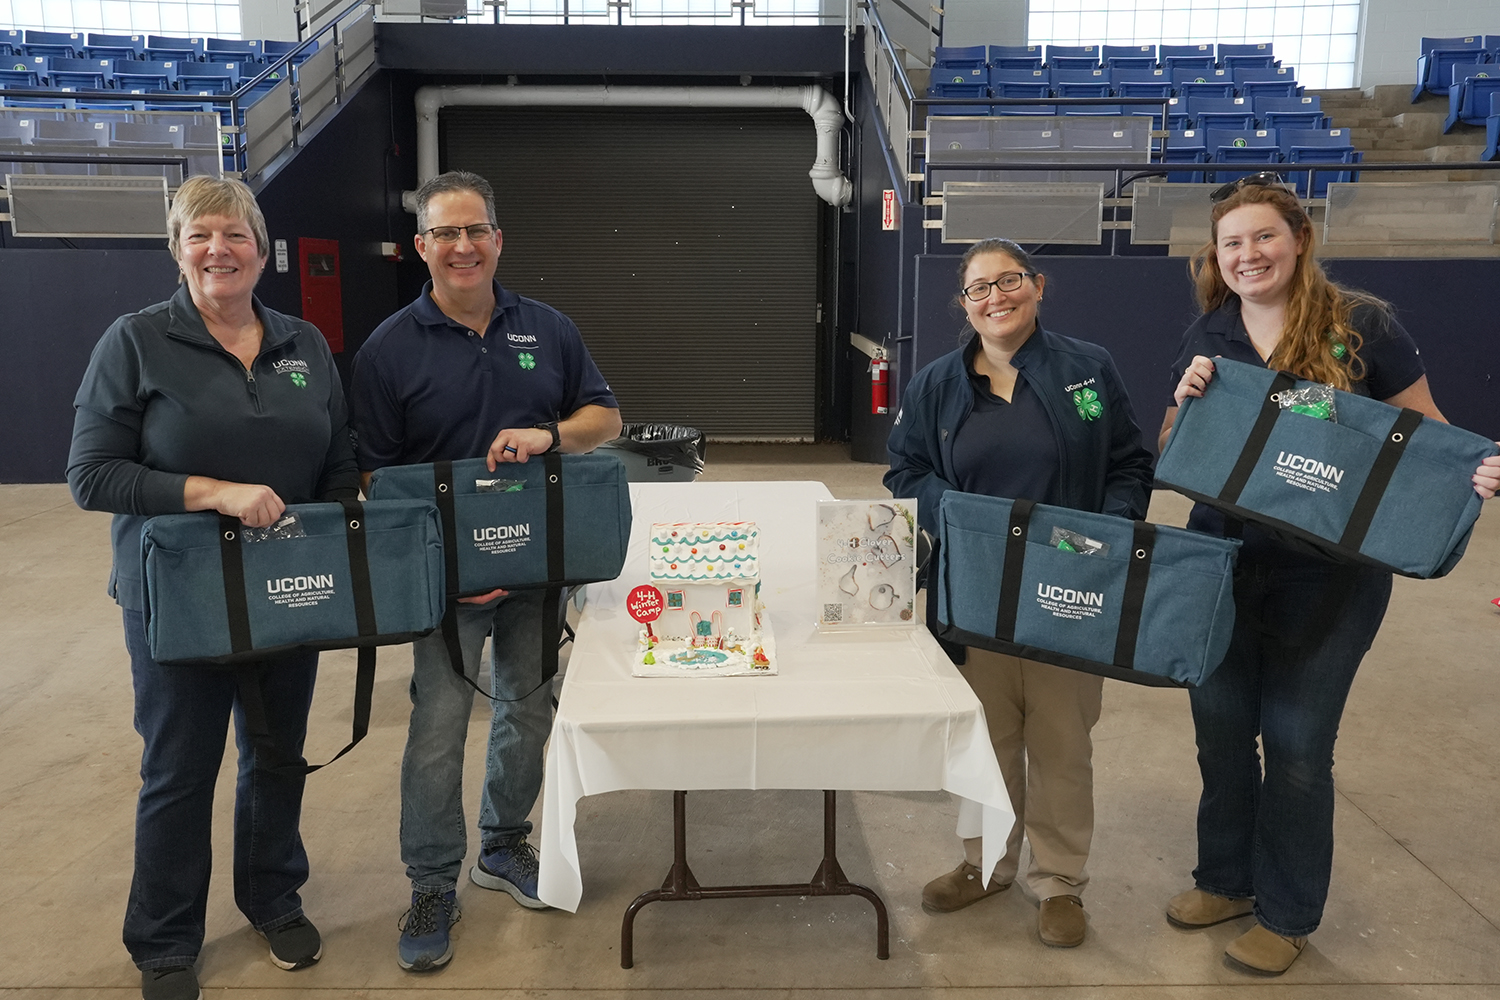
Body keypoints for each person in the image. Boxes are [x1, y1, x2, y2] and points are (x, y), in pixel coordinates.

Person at [1160, 174, 1500, 976]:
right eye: (1232, 242)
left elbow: (1427, 430)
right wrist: (1185, 398)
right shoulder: (1212, 332)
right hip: (1222, 563)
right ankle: (1226, 879)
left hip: (1331, 581)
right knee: (1219, 733)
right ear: (1218, 255)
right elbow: (1177, 440)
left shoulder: (1364, 326)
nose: (1248, 255)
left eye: (1263, 236)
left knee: (1299, 745)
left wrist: (1475, 471)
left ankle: (1287, 913)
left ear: (1299, 238)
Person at [66, 175, 359, 1000]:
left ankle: (272, 898)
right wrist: (213, 491)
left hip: (285, 584)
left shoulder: (303, 344)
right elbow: (92, 476)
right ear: (176, 250)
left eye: (234, 235)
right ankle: (164, 941)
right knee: (180, 767)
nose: (217, 251)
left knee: (276, 755)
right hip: (180, 594)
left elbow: (337, 457)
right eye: (199, 236)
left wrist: (340, 537)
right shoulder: (135, 341)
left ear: (263, 251)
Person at [349, 170, 622, 972]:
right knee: (436, 734)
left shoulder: (549, 328)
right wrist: (450, 564)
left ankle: (503, 847)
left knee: (527, 715)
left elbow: (605, 417)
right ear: (421, 247)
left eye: (475, 231)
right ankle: (432, 880)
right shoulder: (388, 349)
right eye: (444, 233)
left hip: (538, 573)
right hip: (445, 585)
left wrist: (549, 434)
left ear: (497, 241)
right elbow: (374, 478)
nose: (461, 246)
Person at [885, 237, 1154, 948]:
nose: (996, 297)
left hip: (1068, 591)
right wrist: (964, 518)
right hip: (973, 595)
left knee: (1062, 742)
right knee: (987, 741)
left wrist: (1113, 527)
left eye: (1009, 282)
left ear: (1036, 286)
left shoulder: (1085, 370)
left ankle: (1059, 883)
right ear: (964, 303)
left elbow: (1129, 462)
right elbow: (905, 472)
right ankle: (984, 865)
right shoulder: (938, 384)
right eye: (979, 288)